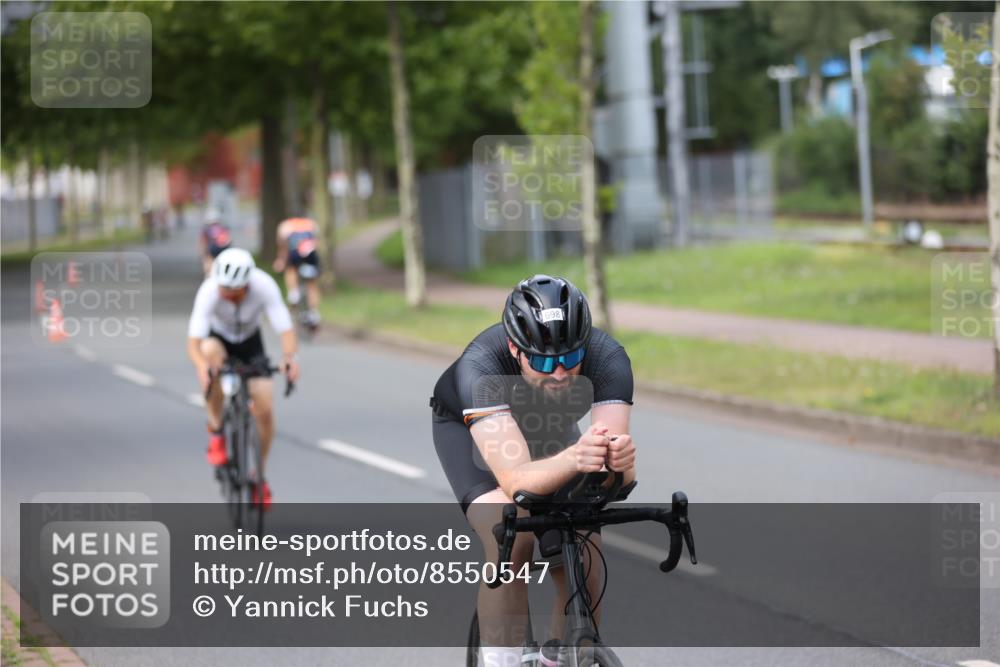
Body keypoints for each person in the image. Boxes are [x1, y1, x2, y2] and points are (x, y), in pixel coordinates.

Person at [430, 275, 636, 666]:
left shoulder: (608, 359)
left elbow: (610, 478)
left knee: (586, 542)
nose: (559, 373)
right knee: (511, 532)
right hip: (472, 435)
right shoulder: (483, 367)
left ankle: (557, 658)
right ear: (514, 348)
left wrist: (619, 467)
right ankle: (501, 660)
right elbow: (518, 481)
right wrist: (578, 457)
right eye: (542, 360)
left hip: (552, 431)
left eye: (570, 358)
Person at [186, 247, 300, 510]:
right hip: (218, 341)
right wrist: (203, 367)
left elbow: (285, 328)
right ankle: (216, 431)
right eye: (224, 291)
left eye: (235, 292)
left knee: (265, 407)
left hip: (250, 343)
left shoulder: (264, 286)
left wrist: (289, 358)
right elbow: (193, 343)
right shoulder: (208, 292)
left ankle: (258, 477)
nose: (228, 296)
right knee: (210, 356)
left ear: (247, 284)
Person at [272, 217, 321, 328]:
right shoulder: (311, 223)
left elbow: (282, 245)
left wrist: (280, 260)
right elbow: (317, 241)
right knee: (312, 284)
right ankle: (314, 313)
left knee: (290, 269)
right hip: (310, 253)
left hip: (294, 252)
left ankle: (293, 293)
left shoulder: (284, 226)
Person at [199, 208, 232, 274]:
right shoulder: (224, 227)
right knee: (224, 266)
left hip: (211, 249)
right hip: (224, 249)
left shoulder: (206, 229)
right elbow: (229, 240)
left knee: (209, 266)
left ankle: (209, 276)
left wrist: (203, 254)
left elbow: (203, 242)